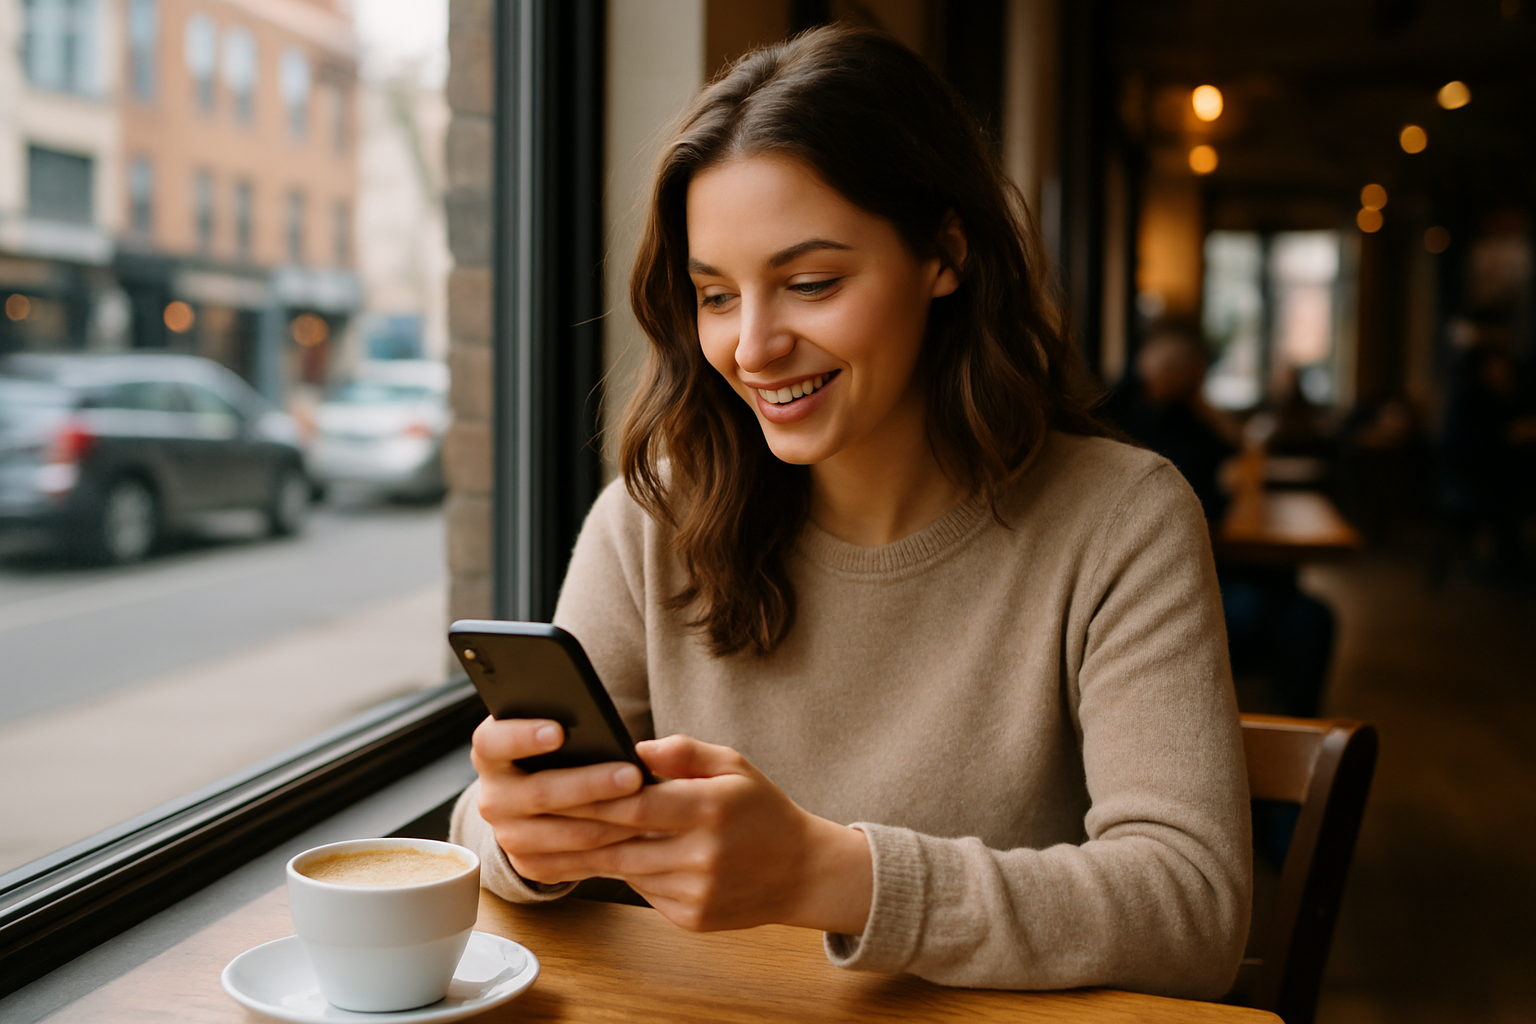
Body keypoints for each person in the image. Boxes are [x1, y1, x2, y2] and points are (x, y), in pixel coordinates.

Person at [452, 26, 1250, 999]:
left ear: (944, 254)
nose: (751, 346)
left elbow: (1193, 908)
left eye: (811, 283)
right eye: (714, 295)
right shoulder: (654, 519)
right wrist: (523, 835)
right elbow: (484, 831)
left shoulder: (1121, 521)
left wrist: (827, 874)